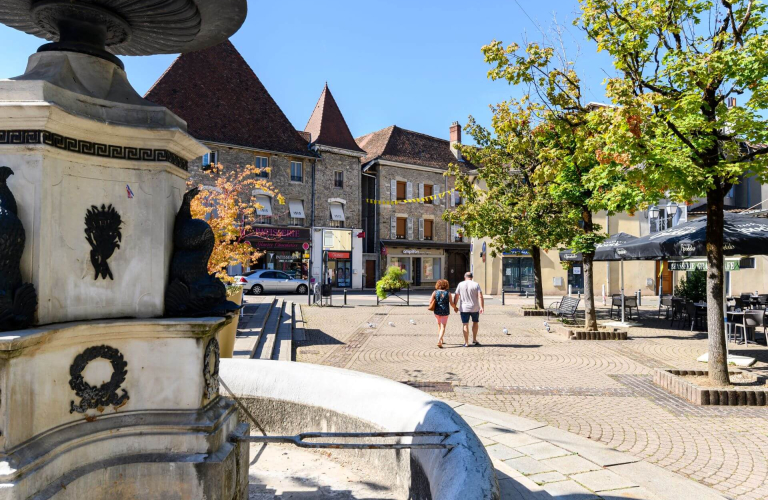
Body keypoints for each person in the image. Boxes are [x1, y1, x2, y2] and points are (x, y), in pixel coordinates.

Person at [454, 272, 484, 347]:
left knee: (465, 324)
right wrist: (482, 307)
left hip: (464, 308)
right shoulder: (476, 284)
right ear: (472, 277)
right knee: (475, 322)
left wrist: (455, 306)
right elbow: (480, 296)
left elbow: (456, 296)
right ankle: (474, 339)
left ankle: (466, 342)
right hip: (474, 307)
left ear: (465, 277)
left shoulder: (460, 284)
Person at [431, 279, 454, 348]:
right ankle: (439, 340)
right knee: (443, 326)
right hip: (445, 311)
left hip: (437, 311)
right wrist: (455, 308)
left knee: (439, 325)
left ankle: (441, 339)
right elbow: (451, 303)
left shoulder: (435, 292)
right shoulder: (448, 293)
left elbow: (430, 301)